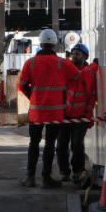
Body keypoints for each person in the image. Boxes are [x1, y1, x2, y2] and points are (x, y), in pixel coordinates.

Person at [17, 28, 77, 188]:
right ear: (54, 44)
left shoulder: (30, 63)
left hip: (36, 112)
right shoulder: (63, 63)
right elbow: (78, 78)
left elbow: (21, 85)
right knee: (50, 143)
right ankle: (46, 178)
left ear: (41, 43)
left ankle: (29, 177)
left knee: (34, 143)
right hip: (56, 112)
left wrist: (33, 96)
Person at [63, 43, 99, 187]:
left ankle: (78, 171)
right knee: (63, 145)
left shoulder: (88, 73)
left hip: (79, 117)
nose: (74, 55)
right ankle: (67, 172)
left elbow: (92, 97)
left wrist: (87, 116)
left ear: (85, 57)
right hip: (65, 115)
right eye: (73, 53)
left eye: (78, 53)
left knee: (77, 145)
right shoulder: (69, 70)